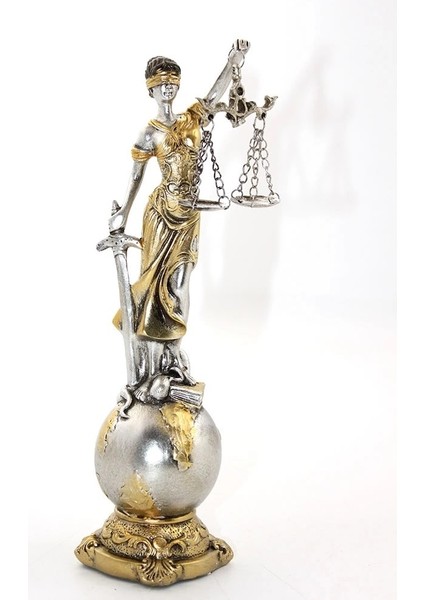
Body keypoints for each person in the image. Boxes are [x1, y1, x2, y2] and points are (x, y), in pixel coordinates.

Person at [108, 41, 249, 389]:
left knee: (180, 284)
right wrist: (122, 213)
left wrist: (233, 62)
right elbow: (136, 176)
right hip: (160, 215)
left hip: (188, 216)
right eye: (161, 84)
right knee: (154, 286)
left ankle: (174, 351)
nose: (168, 88)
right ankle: (155, 360)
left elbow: (215, 94)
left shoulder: (192, 119)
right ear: (151, 90)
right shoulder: (150, 132)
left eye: (173, 82)